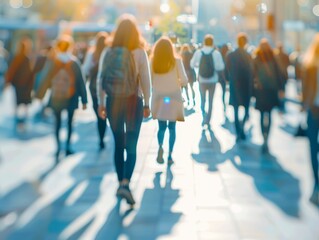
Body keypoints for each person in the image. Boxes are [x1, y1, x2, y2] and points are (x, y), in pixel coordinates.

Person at [97, 14, 151, 206]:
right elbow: (145, 80)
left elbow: (100, 79)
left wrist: (101, 103)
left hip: (113, 102)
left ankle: (120, 182)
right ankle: (126, 183)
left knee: (118, 144)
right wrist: (147, 104)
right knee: (132, 145)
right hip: (133, 102)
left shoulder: (108, 51)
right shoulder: (139, 52)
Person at [36, 35, 88, 162]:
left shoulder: (54, 62)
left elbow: (46, 79)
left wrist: (40, 95)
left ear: (58, 47)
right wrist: (84, 100)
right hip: (72, 96)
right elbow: (81, 82)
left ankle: (58, 147)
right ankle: (68, 147)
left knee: (57, 122)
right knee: (70, 122)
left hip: (57, 96)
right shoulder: (74, 62)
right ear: (70, 47)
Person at [150, 36, 188, 165]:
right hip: (173, 97)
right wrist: (175, 81)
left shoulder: (153, 61)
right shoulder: (176, 61)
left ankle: (160, 146)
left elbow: (150, 80)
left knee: (161, 127)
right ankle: (170, 155)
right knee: (172, 127)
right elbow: (184, 80)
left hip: (160, 98)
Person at [253, 39, 284, 154]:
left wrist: (253, 91)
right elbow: (279, 74)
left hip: (261, 91)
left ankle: (263, 137)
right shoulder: (273, 58)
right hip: (271, 90)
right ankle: (267, 138)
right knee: (269, 114)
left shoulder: (256, 58)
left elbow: (253, 75)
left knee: (261, 114)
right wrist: (281, 88)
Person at [190, 34, 225, 127]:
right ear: (212, 42)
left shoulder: (199, 52)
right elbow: (221, 66)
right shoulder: (216, 53)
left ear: (204, 42)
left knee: (202, 99)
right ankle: (208, 120)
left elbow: (192, 64)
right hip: (213, 80)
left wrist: (198, 65)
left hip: (201, 79)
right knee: (210, 101)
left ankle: (203, 115)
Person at [82, 32, 109, 150]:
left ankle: (101, 138)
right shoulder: (109, 52)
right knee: (108, 110)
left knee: (99, 113)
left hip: (94, 88)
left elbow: (85, 70)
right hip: (108, 88)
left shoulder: (92, 54)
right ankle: (106, 127)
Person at [226, 33, 254, 142]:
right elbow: (252, 70)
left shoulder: (231, 55)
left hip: (235, 84)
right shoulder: (248, 55)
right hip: (246, 85)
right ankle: (242, 128)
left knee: (235, 109)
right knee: (246, 108)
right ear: (246, 43)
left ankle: (238, 131)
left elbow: (227, 69)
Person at [301, 33, 319, 204]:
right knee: (313, 147)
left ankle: (317, 185)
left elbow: (305, 88)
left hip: (313, 110)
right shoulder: (310, 65)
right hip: (313, 110)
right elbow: (305, 87)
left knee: (313, 148)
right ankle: (316, 184)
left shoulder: (310, 65)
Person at [5, 36, 34, 131]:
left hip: (18, 83)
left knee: (18, 100)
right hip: (25, 84)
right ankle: (24, 116)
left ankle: (17, 115)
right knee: (25, 100)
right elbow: (30, 72)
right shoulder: (27, 58)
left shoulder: (17, 57)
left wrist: (8, 81)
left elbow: (11, 70)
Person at [274, 42, 290, 112]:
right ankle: (282, 104)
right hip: (283, 75)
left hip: (278, 76)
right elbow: (288, 64)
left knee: (279, 90)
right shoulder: (285, 55)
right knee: (282, 90)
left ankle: (279, 104)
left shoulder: (275, 55)